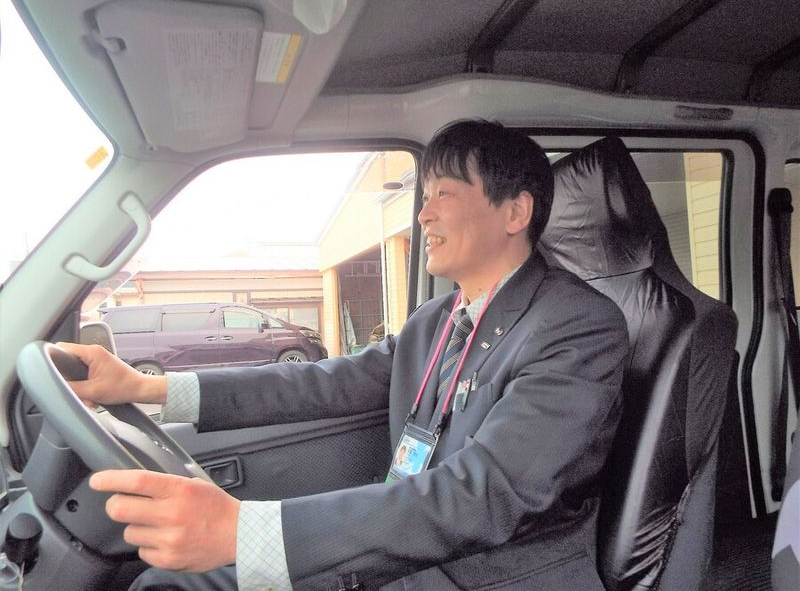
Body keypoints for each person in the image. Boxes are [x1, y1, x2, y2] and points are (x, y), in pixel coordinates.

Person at [63, 119, 628, 591]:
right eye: (424, 196)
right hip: (407, 555)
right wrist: (147, 388)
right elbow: (318, 383)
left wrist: (244, 531)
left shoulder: (577, 327)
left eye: (445, 194)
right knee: (167, 583)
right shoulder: (436, 320)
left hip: (485, 574)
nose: (424, 214)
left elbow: (486, 493)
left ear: (515, 212)